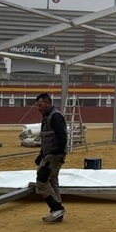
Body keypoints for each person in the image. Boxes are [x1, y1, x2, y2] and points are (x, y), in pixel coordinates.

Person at [34, 93, 68, 223]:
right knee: (52, 181)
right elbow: (49, 137)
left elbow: (62, 136)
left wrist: (59, 154)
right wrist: (42, 153)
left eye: (40, 105)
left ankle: (56, 208)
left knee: (42, 180)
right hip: (50, 154)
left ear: (48, 103)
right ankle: (57, 212)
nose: (38, 107)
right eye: (37, 105)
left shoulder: (55, 116)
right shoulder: (48, 116)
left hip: (54, 154)